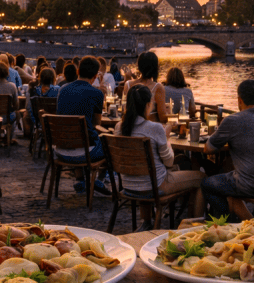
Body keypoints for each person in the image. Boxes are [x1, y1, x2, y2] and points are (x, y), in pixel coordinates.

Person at [114, 85, 204, 229]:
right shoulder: (154, 128)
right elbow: (169, 162)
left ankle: (147, 222)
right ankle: (194, 225)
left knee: (162, 168)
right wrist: (167, 139)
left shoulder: (119, 127)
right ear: (148, 105)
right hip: (155, 186)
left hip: (128, 185)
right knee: (200, 177)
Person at [202, 79, 254, 220]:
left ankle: (227, 223)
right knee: (234, 176)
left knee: (208, 184)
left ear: (239, 100)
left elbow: (208, 149)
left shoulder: (232, 120)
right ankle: (246, 219)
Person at [54, 55, 108, 194]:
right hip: (84, 153)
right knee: (109, 143)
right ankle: (99, 180)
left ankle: (80, 180)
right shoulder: (96, 93)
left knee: (78, 135)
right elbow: (97, 124)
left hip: (61, 150)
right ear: (95, 76)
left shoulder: (62, 90)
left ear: (77, 71)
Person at [122, 51, 168, 125]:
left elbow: (125, 110)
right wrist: (170, 115)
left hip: (130, 128)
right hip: (149, 130)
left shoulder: (128, 85)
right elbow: (162, 118)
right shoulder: (157, 88)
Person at [26, 67, 59, 138]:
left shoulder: (33, 91)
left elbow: (28, 107)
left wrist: (35, 121)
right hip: (54, 122)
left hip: (39, 122)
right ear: (53, 78)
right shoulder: (58, 90)